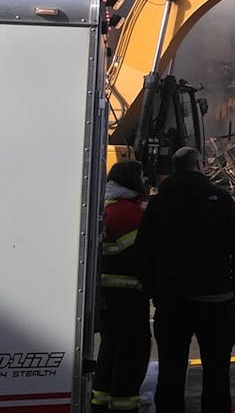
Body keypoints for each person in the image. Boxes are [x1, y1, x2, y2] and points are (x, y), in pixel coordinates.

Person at [137, 147, 235, 413]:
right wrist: (233, 290)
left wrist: (156, 291)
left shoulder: (158, 203)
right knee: (217, 371)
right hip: (216, 300)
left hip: (172, 302)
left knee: (171, 370)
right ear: (199, 164)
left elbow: (143, 252)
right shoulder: (221, 200)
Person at [91, 161, 152, 413]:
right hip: (127, 297)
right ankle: (124, 406)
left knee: (109, 350)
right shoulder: (129, 213)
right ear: (130, 180)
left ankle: (99, 403)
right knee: (132, 353)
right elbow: (143, 255)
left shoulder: (105, 207)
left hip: (106, 297)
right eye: (140, 175)